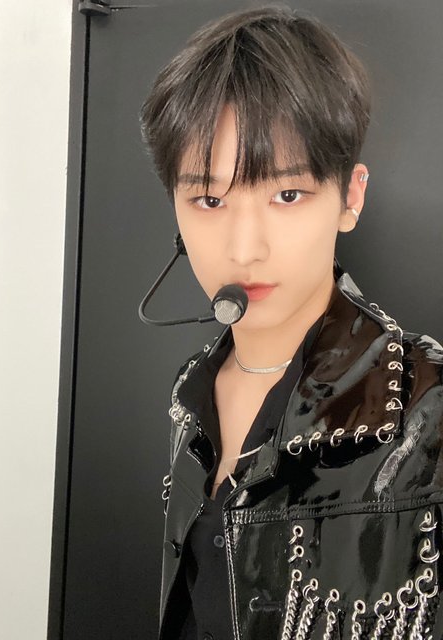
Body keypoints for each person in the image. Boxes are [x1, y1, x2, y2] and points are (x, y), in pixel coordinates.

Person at [139, 4, 443, 639]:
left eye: (286, 194)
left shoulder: (430, 407)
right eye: (210, 199)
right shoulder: (192, 389)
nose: (244, 248)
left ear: (350, 197)